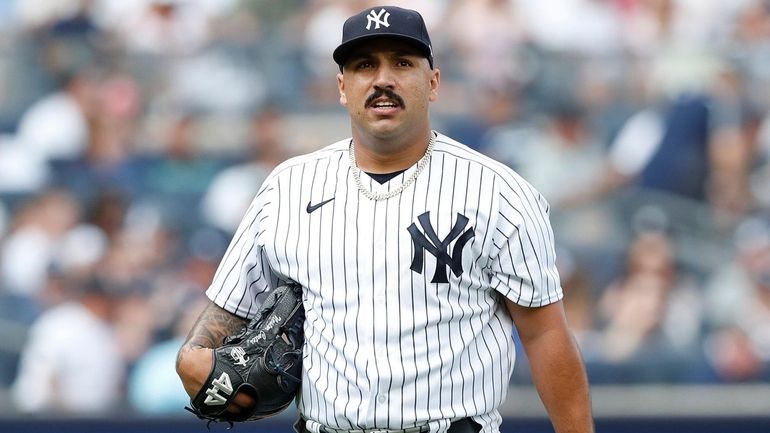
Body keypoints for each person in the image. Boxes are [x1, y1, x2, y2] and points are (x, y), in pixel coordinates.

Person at [176, 6, 593, 433]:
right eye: (364, 65)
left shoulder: (500, 193)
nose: (383, 80)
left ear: (433, 83)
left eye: (402, 63)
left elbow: (545, 336)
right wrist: (195, 352)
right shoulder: (287, 188)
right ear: (342, 87)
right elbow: (229, 306)